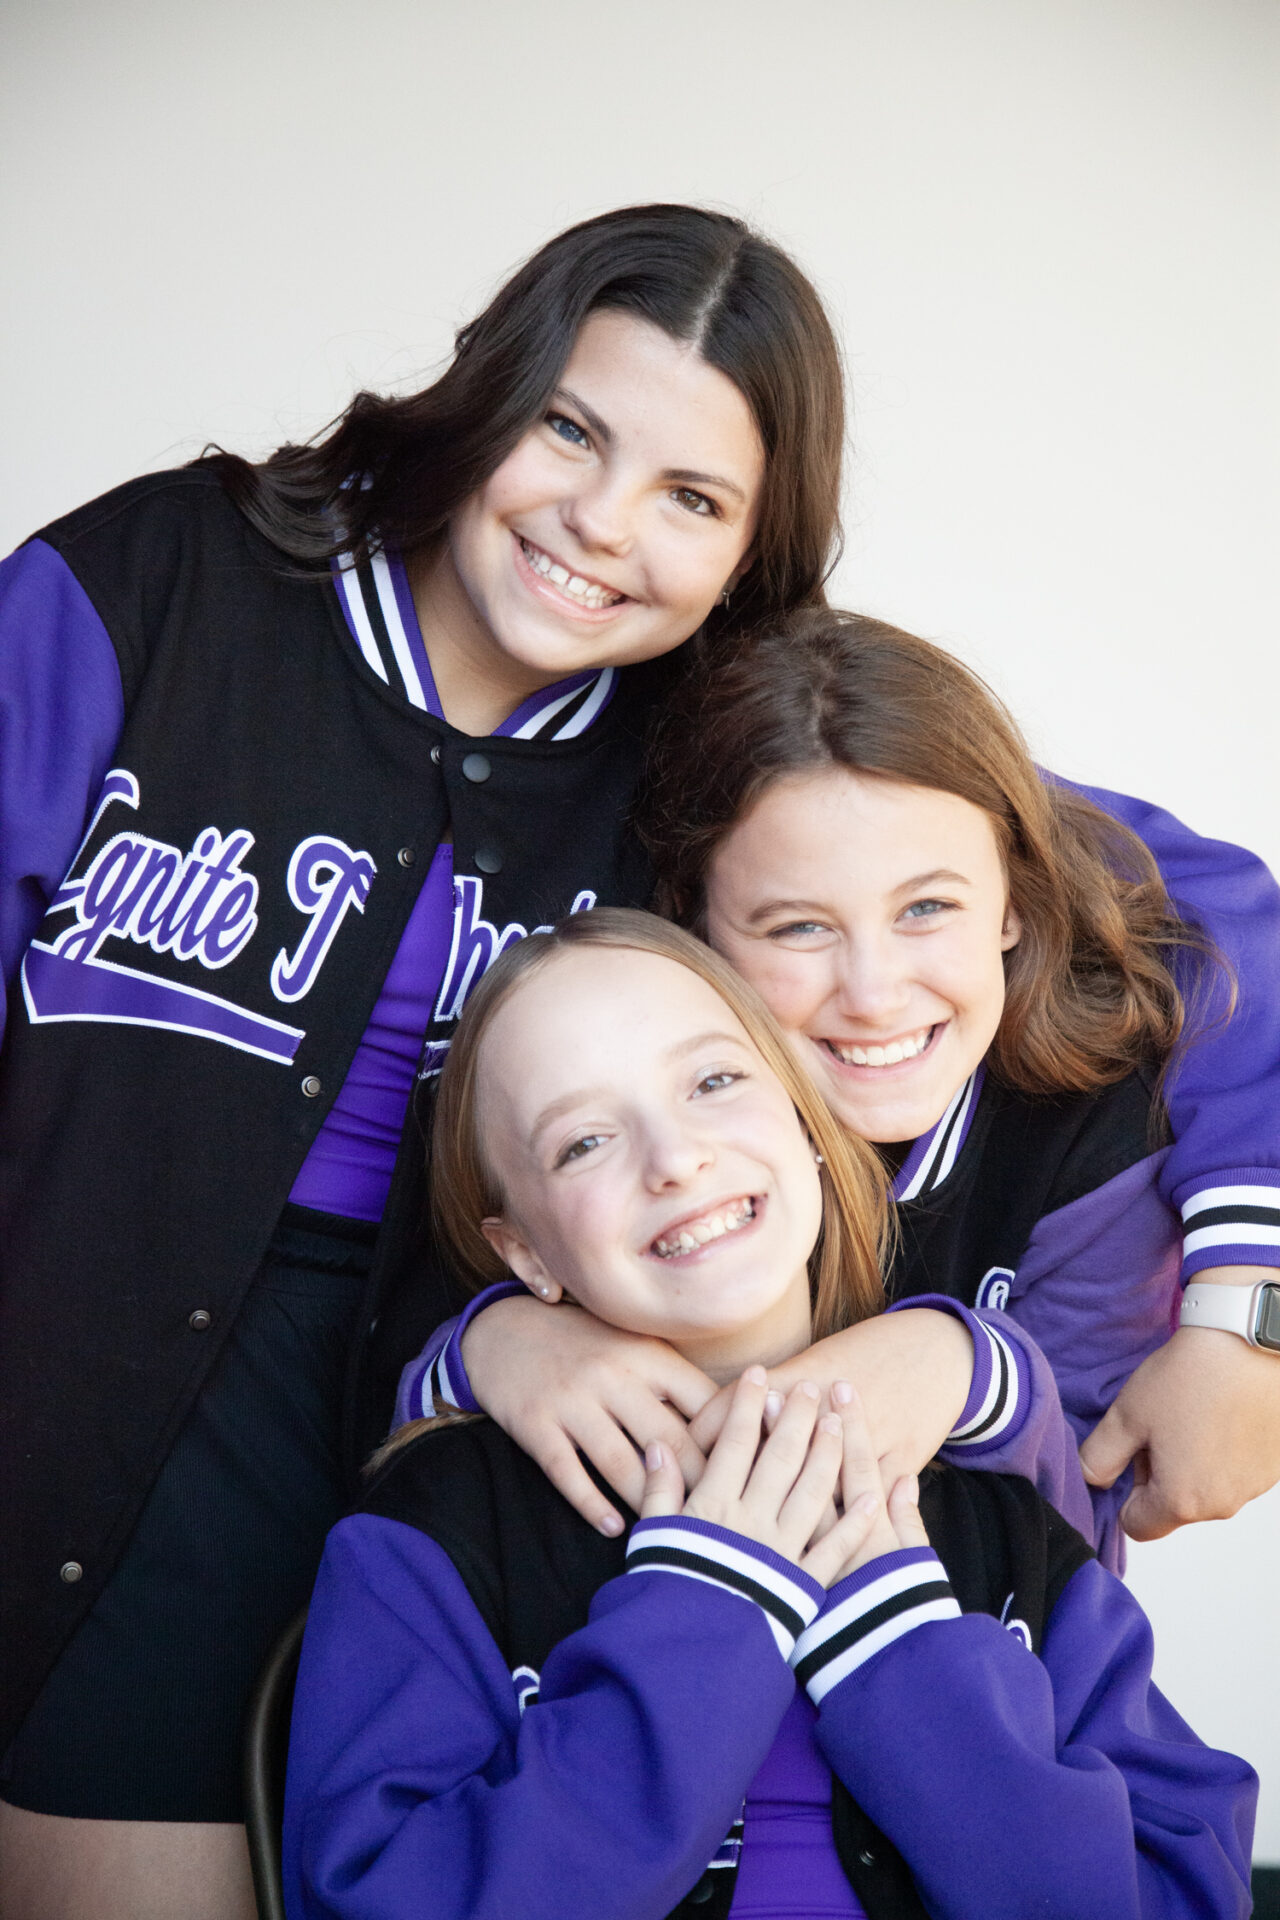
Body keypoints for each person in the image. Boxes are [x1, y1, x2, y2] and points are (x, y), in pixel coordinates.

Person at [0, 204, 848, 1920]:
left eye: (691, 498)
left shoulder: (711, 753)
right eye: (574, 431)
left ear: (753, 553)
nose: (601, 526)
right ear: (492, 393)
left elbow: (1121, 894)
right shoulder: (156, 581)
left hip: (433, 1454)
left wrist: (1246, 1301)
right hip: (70, 1368)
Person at [286, 910, 1256, 1920]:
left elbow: (1174, 1894)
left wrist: (897, 1649)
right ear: (524, 1253)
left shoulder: (997, 1513)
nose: (674, 1159)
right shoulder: (437, 1531)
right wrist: (707, 1610)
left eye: (711, 1082)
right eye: (581, 1142)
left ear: (807, 1124)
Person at [398, 610, 1280, 1568]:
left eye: (928, 908)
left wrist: (982, 1370)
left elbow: (1069, 1559)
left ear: (1015, 902)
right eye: (797, 929)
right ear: (694, 927)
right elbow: (403, 1432)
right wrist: (489, 1349)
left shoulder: (1100, 1154)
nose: (872, 995)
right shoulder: (632, 1109)